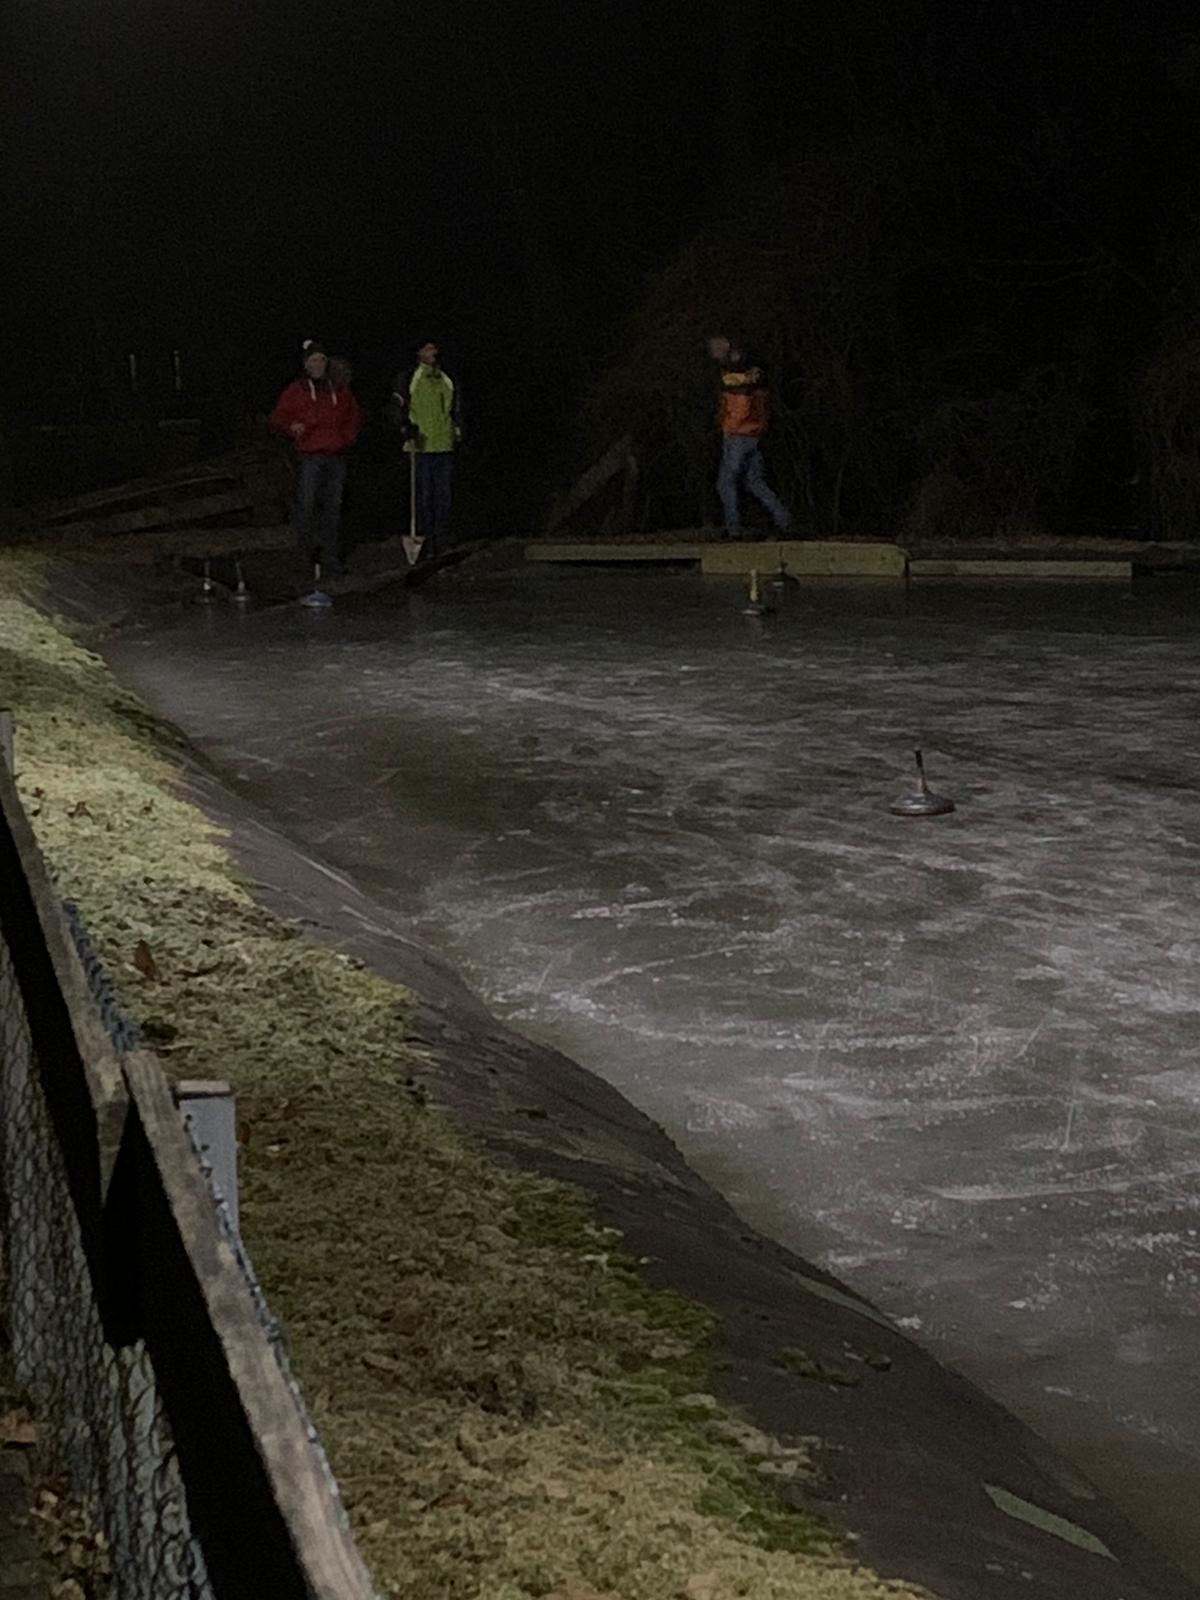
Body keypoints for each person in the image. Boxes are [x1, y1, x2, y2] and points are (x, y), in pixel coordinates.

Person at [270, 340, 362, 576]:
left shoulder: (339, 388)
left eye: (321, 360)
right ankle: (305, 555)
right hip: (310, 457)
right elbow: (279, 417)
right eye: (313, 361)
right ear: (306, 364)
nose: (317, 365)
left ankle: (331, 555)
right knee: (307, 506)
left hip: (336, 456)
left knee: (333, 507)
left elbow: (354, 415)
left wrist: (346, 437)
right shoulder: (296, 390)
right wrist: (292, 427)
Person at [708, 334, 793, 539]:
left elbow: (739, 406)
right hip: (755, 433)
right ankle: (784, 519)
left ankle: (733, 528)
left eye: (716, 348)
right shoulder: (756, 372)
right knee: (754, 481)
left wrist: (729, 427)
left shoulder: (736, 375)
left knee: (726, 482)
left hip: (739, 433)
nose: (713, 352)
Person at [389, 340, 461, 553]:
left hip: (444, 444)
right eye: (428, 349)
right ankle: (424, 537)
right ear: (419, 352)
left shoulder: (446, 377)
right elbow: (397, 406)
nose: (433, 353)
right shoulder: (409, 377)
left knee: (443, 496)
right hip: (419, 446)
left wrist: (457, 430)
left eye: (434, 349)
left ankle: (441, 537)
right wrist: (404, 426)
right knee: (423, 496)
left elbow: (456, 407)